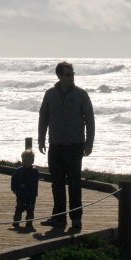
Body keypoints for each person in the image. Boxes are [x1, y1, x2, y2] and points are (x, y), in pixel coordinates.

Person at [38, 61, 95, 230]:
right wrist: (41, 139)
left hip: (75, 145)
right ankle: (58, 218)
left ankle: (76, 219)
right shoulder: (50, 94)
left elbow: (90, 121)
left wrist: (89, 143)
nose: (71, 77)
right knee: (57, 183)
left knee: (75, 183)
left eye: (72, 74)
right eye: (68, 74)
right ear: (59, 76)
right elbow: (43, 117)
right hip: (55, 145)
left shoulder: (81, 95)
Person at [11, 149, 40, 230]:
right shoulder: (18, 170)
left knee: (30, 209)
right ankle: (16, 221)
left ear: (32, 161)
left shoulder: (35, 171)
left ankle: (29, 222)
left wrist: (27, 184)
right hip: (21, 194)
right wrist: (13, 188)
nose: (26, 162)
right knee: (19, 208)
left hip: (31, 195)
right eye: (24, 160)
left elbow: (34, 181)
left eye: (28, 161)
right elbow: (14, 179)